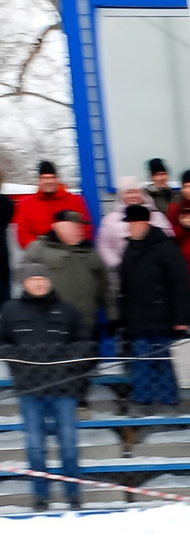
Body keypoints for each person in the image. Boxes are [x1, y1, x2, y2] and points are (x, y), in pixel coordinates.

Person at [0, 267, 92, 509]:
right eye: (33, 280)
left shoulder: (67, 310)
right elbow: (3, 344)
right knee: (35, 446)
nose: (39, 284)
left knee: (69, 445)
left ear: (50, 282)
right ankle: (41, 496)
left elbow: (85, 345)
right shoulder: (10, 310)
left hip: (64, 390)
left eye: (42, 279)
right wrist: (25, 361)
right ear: (24, 283)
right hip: (30, 390)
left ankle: (73, 495)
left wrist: (59, 360)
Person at [115, 204, 189, 414]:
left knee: (165, 362)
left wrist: (180, 317)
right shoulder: (130, 248)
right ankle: (142, 402)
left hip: (163, 317)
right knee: (140, 363)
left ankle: (169, 403)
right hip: (137, 318)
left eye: (131, 223)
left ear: (143, 222)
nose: (128, 228)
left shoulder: (166, 248)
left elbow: (180, 284)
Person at [14, 161, 90, 248]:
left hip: (71, 253)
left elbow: (85, 228)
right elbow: (23, 234)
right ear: (39, 181)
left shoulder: (75, 200)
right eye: (44, 178)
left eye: (52, 177)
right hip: (41, 255)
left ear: (57, 179)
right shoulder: (26, 203)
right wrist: (41, 251)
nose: (49, 181)